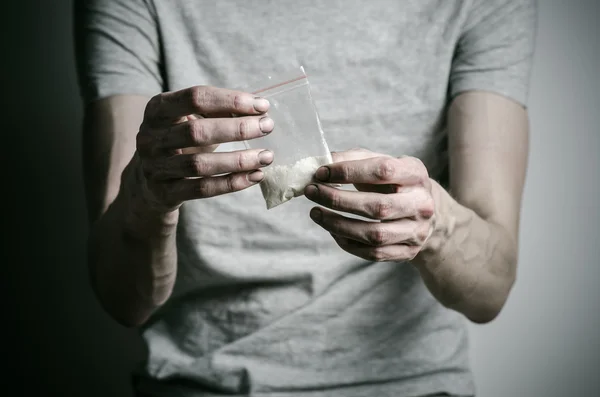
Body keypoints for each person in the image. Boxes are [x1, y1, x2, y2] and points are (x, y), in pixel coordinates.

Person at [73, 0, 537, 396]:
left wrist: (435, 225)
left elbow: (491, 290)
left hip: (413, 382)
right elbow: (121, 298)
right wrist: (147, 197)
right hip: (204, 383)